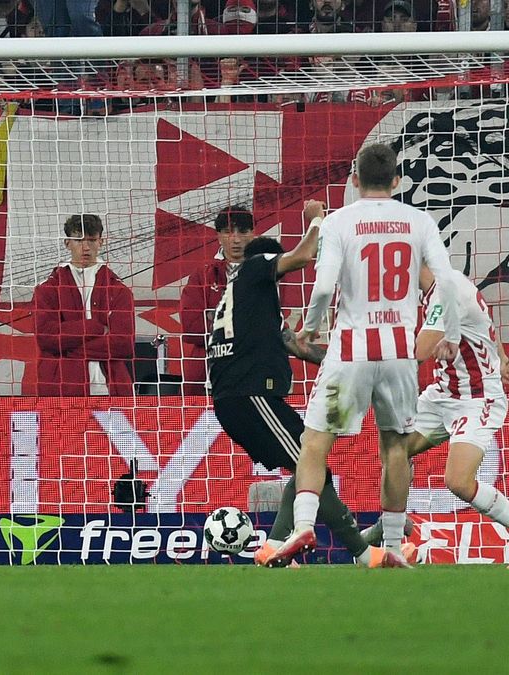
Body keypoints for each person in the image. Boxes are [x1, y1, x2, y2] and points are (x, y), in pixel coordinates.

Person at [268, 143, 462, 567]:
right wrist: (446, 330)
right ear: (396, 180)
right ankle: (392, 546)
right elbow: (447, 283)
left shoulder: (340, 221)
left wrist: (310, 328)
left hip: (351, 351)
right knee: (394, 446)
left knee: (316, 442)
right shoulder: (419, 220)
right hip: (399, 353)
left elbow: (322, 287)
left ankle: (303, 525)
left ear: (353, 180)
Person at [208, 203, 400, 568]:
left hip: (241, 398)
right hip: (250, 396)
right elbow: (303, 255)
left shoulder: (250, 301)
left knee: (306, 469)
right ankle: (361, 552)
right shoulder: (252, 270)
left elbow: (295, 345)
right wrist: (316, 218)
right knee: (311, 465)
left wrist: (359, 359)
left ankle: (277, 549)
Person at [363, 266, 509, 546]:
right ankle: (393, 534)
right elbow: (482, 324)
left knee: (458, 482)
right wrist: (500, 354)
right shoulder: (442, 284)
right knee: (394, 450)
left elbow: (417, 353)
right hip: (443, 393)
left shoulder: (446, 292)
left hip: (477, 399)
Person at [34, 214, 135, 396]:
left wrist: (68, 351)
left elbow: (124, 344)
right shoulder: (48, 289)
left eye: (91, 240)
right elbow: (46, 337)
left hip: (111, 390)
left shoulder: (119, 290)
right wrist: (94, 328)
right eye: (79, 240)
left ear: (101, 242)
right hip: (62, 391)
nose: (86, 247)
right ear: (67, 243)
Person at [179, 206, 255, 395]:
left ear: (253, 234)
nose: (236, 239)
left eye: (243, 232)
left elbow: (272, 325)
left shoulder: (269, 271)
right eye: (228, 232)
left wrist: (217, 320)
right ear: (218, 235)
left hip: (255, 371)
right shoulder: (202, 275)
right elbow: (192, 328)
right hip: (205, 375)